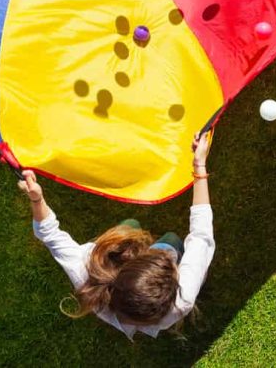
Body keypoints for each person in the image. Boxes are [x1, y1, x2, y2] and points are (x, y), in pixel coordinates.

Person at [20, 131, 213, 338]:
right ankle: (169, 250)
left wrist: (37, 200)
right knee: (171, 241)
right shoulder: (182, 299)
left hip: (113, 255)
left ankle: (135, 234)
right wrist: (198, 166)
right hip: (127, 258)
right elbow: (200, 237)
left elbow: (49, 234)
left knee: (130, 226)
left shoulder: (86, 272)